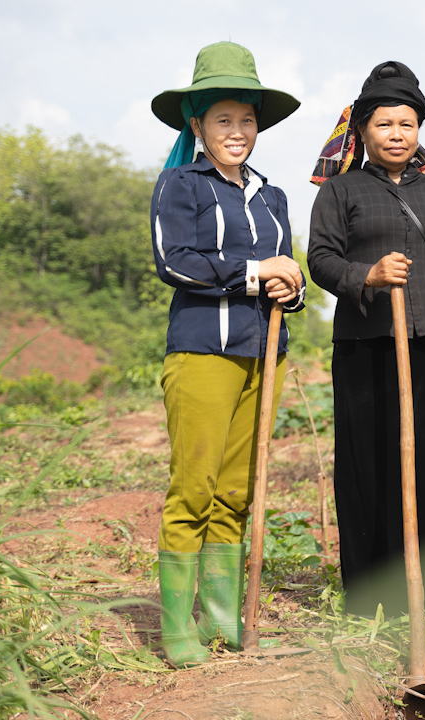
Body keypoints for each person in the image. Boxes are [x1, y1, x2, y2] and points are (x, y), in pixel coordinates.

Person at [149, 41, 304, 668]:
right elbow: (173, 262)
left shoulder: (273, 197)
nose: (237, 132)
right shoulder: (179, 185)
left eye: (246, 120)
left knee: (237, 491)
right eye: (223, 120)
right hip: (202, 352)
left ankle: (220, 615)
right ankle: (175, 626)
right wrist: (254, 271)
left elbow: (284, 281)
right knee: (194, 487)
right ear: (197, 125)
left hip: (263, 355)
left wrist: (288, 285)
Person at [306, 61, 425, 623]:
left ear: (419, 130)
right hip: (364, 345)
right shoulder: (342, 190)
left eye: (406, 124)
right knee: (367, 462)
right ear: (363, 132)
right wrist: (367, 277)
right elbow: (321, 260)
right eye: (384, 124)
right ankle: (372, 600)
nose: (397, 134)